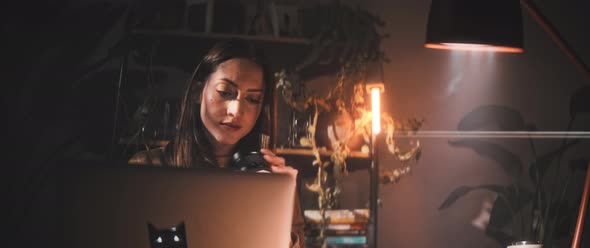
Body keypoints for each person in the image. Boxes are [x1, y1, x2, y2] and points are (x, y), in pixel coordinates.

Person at [128, 39, 305, 247]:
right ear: (198, 92)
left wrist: (279, 203)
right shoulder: (147, 168)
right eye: (225, 92)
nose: (236, 111)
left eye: (253, 99)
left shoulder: (271, 178)